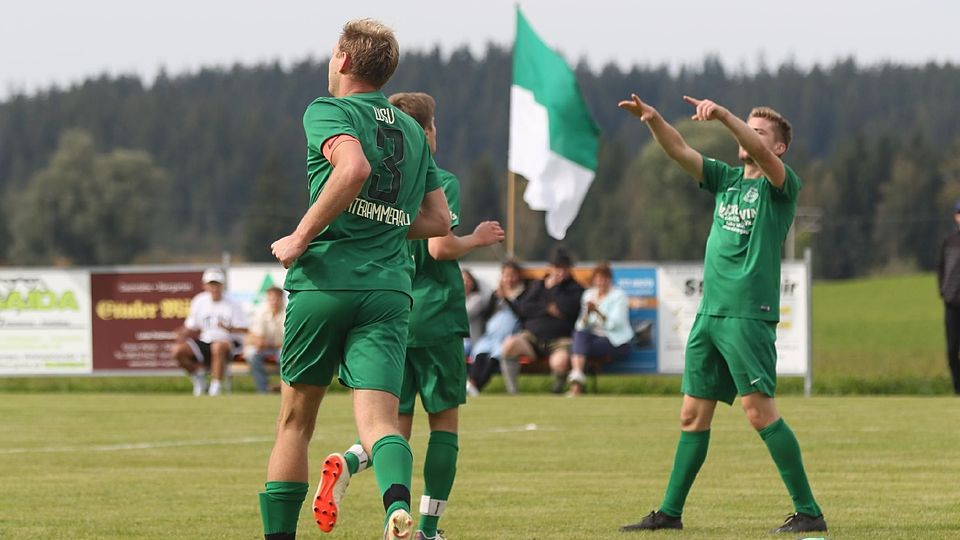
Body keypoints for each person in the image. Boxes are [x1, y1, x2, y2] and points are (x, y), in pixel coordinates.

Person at [260, 20, 451, 540]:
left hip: (324, 282)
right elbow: (438, 222)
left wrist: (299, 237)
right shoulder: (412, 129)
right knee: (380, 423)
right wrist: (384, 220)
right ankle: (395, 508)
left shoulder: (329, 111)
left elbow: (354, 168)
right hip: (388, 289)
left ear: (343, 60)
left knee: (296, 423)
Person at [616, 94, 826, 534]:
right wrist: (653, 120)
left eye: (759, 130)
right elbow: (679, 150)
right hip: (710, 314)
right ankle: (670, 514)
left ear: (779, 146)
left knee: (759, 412)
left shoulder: (780, 183)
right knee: (692, 415)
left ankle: (809, 511)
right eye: (748, 127)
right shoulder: (727, 179)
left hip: (748, 315)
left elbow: (763, 153)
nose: (748, 135)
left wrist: (726, 116)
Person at [314, 91, 504, 540]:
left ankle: (347, 462)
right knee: (444, 424)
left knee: (389, 428)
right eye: (434, 125)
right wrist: (476, 239)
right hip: (435, 315)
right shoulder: (438, 177)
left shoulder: (381, 181)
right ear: (425, 131)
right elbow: (439, 246)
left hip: (392, 311)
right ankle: (431, 529)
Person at [499, 248, 583, 394]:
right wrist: (546, 308)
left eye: (564, 268)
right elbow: (524, 309)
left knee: (560, 362)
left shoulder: (575, 288)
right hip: (532, 338)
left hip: (559, 340)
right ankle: (512, 392)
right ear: (550, 268)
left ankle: (556, 390)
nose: (561, 272)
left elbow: (566, 309)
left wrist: (549, 295)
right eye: (557, 268)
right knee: (509, 345)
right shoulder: (538, 285)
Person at [172, 268, 247, 396]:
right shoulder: (199, 301)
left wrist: (228, 328)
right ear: (204, 285)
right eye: (211, 284)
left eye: (217, 284)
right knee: (178, 351)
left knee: (218, 346)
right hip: (206, 340)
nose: (214, 288)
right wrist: (182, 333)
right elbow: (192, 325)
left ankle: (215, 386)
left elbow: (245, 329)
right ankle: (199, 377)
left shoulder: (234, 303)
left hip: (229, 342)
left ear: (222, 285)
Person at [562, 262, 633, 396]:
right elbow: (581, 325)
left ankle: (576, 385)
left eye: (604, 279)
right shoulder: (588, 294)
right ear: (594, 280)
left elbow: (615, 324)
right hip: (592, 339)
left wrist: (598, 312)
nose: (601, 282)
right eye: (598, 279)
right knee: (579, 335)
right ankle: (577, 376)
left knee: (578, 347)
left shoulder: (619, 296)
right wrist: (587, 314)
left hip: (616, 341)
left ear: (610, 280)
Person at [466, 260, 528, 395]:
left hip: (508, 336)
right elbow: (486, 314)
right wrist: (496, 298)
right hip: (490, 335)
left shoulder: (524, 293)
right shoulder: (495, 294)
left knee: (494, 359)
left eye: (512, 275)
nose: (509, 279)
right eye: (506, 275)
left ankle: (476, 385)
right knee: (481, 355)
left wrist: (506, 299)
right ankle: (472, 383)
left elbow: (523, 314)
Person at [937, 200, 960, 395]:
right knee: (952, 350)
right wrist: (942, 291)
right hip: (952, 303)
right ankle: (957, 389)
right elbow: (941, 268)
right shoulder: (949, 242)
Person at [247, 286, 285, 394]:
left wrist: (267, 344)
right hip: (269, 348)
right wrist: (270, 344)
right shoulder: (260, 312)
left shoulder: (288, 312)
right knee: (252, 355)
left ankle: (285, 388)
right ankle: (263, 389)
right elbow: (258, 341)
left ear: (281, 299)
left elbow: (288, 341)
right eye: (271, 299)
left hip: (281, 348)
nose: (274, 302)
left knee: (285, 356)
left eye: (277, 299)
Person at [462, 269, 487, 358]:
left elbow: (464, 314)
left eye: (468, 280)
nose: (465, 283)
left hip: (471, 341)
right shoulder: (455, 299)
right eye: (462, 280)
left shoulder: (477, 299)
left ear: (473, 283)